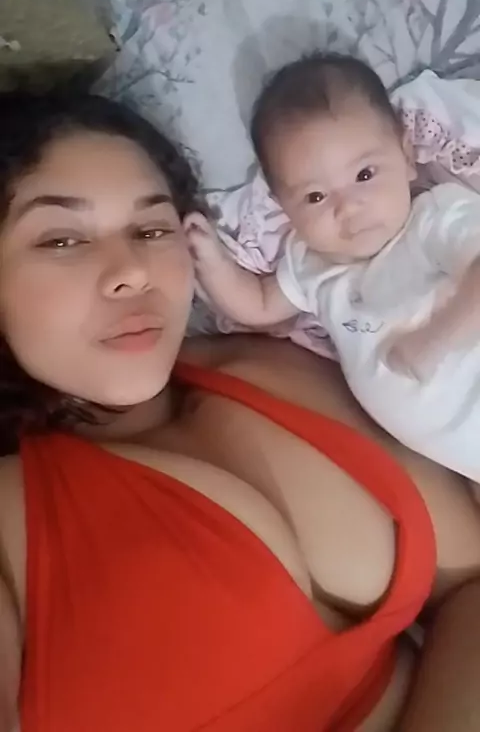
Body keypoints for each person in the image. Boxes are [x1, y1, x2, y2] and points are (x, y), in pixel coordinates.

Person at [0, 91, 480, 732]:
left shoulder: (270, 365)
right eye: (62, 239)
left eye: (152, 230)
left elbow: (471, 586)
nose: (132, 273)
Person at [185, 52, 480, 485]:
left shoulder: (434, 219)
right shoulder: (309, 265)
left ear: (405, 156)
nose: (348, 207)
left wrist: (436, 341)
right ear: (285, 208)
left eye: (365, 174)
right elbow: (258, 306)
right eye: (316, 197)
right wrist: (211, 261)